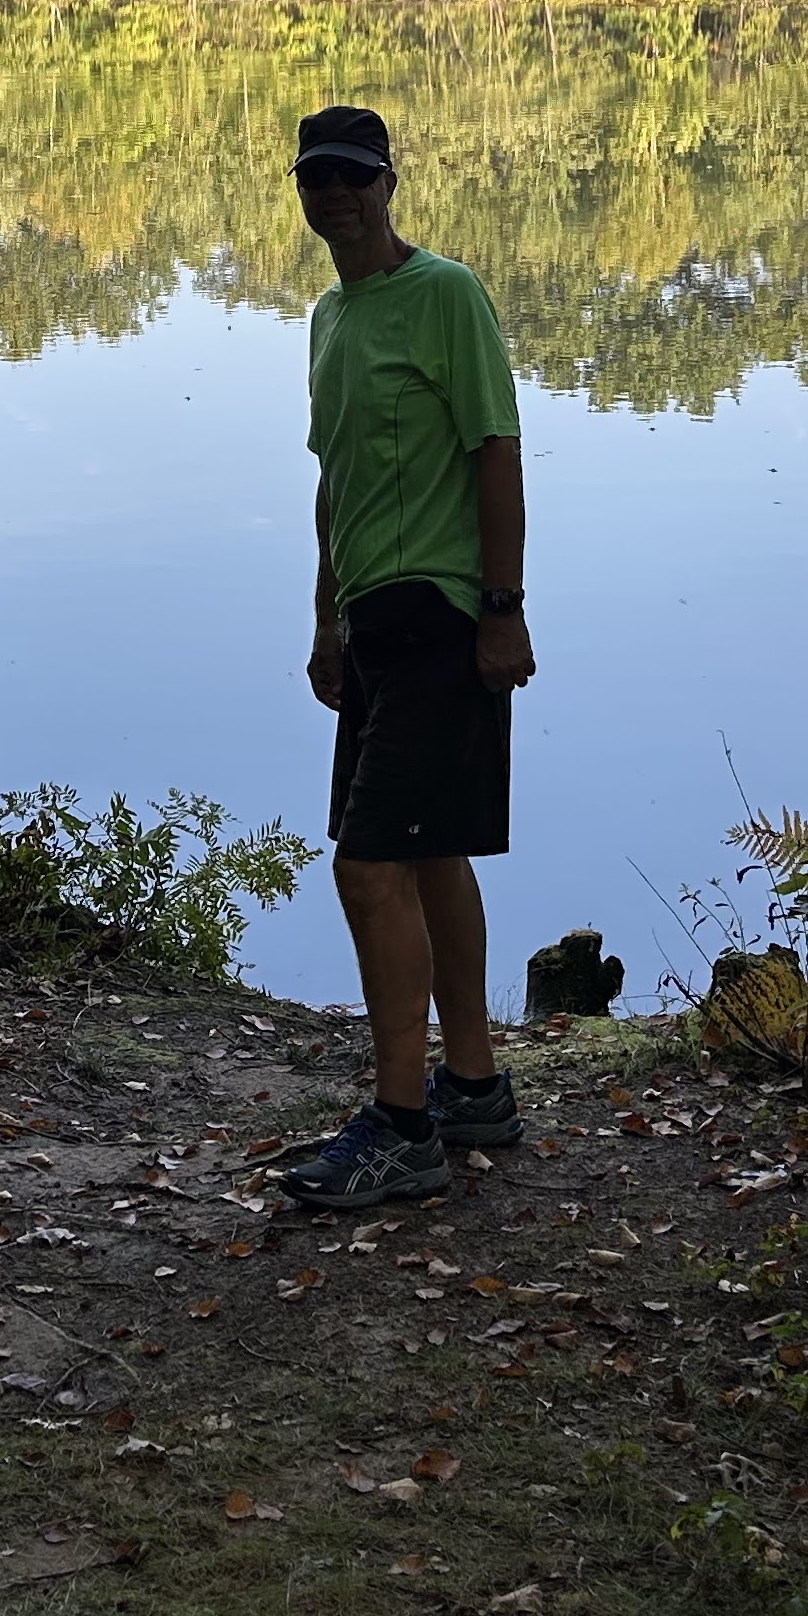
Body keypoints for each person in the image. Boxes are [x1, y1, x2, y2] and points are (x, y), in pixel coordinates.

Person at [277, 103, 534, 1210]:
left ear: (389, 182)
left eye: (353, 177)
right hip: (373, 621)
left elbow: (496, 447)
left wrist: (503, 608)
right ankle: (470, 1086)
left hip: (442, 607)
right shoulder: (329, 318)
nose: (335, 196)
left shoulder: (448, 293)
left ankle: (401, 1127)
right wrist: (326, 619)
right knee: (426, 854)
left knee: (369, 862)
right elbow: (333, 479)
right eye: (315, 180)